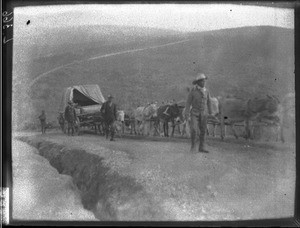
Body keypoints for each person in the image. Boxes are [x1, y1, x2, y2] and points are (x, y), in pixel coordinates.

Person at [185, 73, 212, 153]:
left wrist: (210, 112)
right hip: (194, 113)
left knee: (203, 130)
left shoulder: (207, 91)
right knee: (193, 129)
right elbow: (188, 103)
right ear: (198, 82)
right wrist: (186, 113)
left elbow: (209, 102)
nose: (204, 83)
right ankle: (193, 146)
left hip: (204, 113)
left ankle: (202, 147)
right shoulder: (193, 91)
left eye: (204, 81)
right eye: (202, 81)